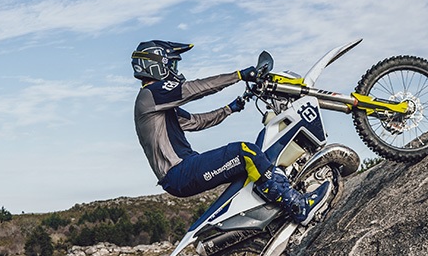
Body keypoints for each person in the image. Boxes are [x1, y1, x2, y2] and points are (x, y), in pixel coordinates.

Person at [132, 39, 330, 223]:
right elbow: (195, 89)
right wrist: (238, 75)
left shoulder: (158, 105)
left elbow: (197, 122)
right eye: (172, 65)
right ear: (157, 65)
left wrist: (230, 108)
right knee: (245, 151)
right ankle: (297, 206)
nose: (175, 70)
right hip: (180, 172)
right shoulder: (151, 94)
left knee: (254, 163)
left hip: (183, 172)